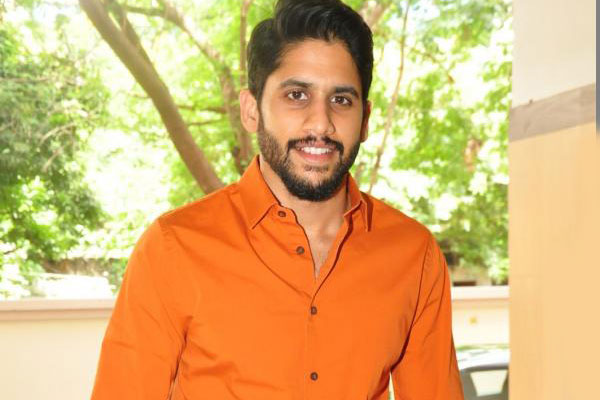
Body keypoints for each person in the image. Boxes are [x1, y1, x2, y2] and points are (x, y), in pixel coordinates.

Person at [91, 0, 464, 399]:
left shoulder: (414, 256)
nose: (320, 123)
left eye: (341, 100)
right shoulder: (174, 248)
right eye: (297, 95)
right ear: (251, 110)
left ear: (365, 120)